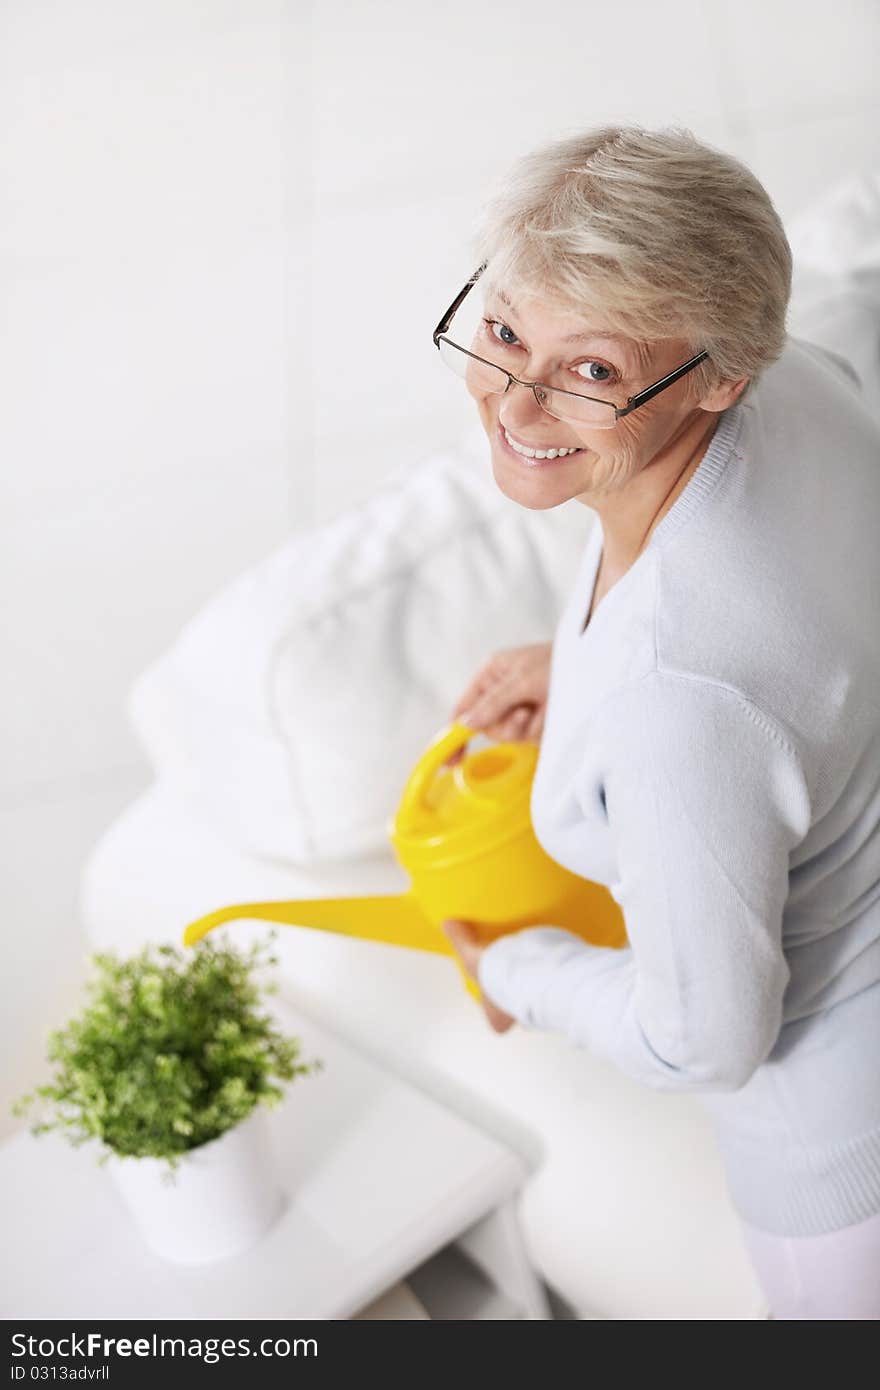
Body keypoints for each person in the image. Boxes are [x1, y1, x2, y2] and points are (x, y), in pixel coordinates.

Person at [435, 125, 880, 1320]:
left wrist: (515, 969)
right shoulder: (808, 388)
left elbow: (706, 1041)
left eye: (590, 371)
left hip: (845, 1160)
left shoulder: (679, 707)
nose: (515, 398)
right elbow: (799, 637)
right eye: (508, 328)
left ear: (719, 370)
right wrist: (576, 668)